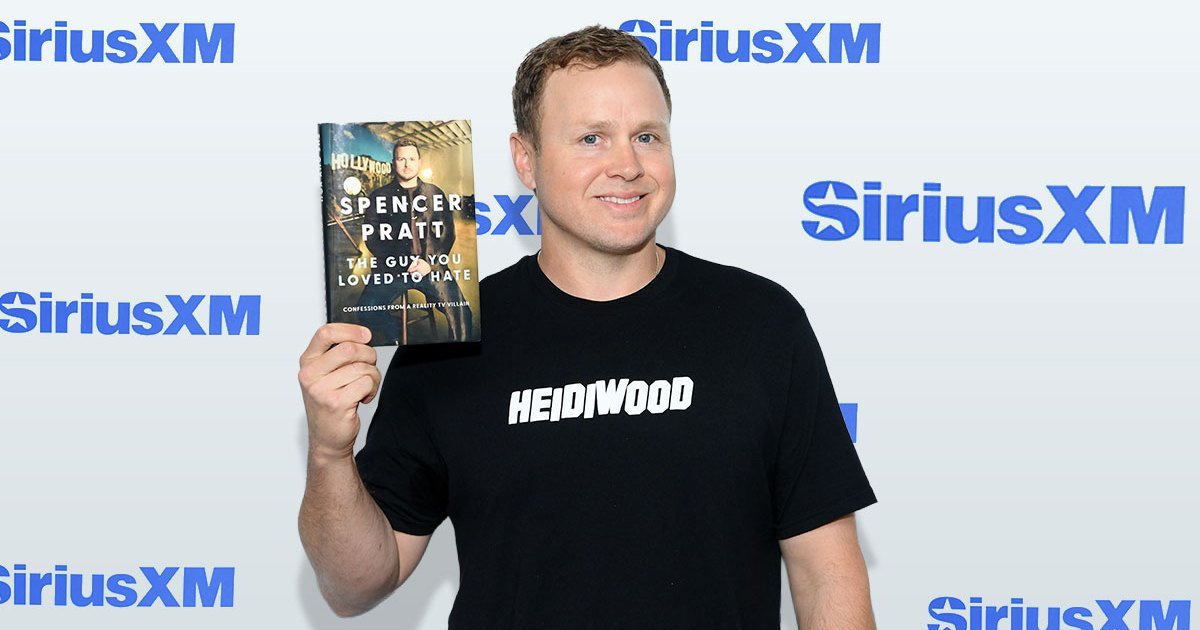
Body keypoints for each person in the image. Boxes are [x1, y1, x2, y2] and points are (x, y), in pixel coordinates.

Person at [299, 25, 877, 629]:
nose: (627, 166)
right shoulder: (450, 337)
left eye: (647, 136)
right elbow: (354, 587)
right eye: (591, 138)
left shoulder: (760, 322)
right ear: (526, 159)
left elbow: (827, 575)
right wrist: (330, 454)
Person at [355, 140, 474, 343]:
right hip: (392, 270)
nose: (407, 164)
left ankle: (458, 359)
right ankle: (399, 335)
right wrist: (399, 262)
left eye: (411, 159)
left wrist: (430, 263)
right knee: (366, 311)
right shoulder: (378, 196)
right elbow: (371, 236)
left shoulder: (434, 193)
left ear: (419, 162)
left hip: (430, 268)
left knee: (463, 316)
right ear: (394, 162)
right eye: (401, 159)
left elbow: (447, 234)